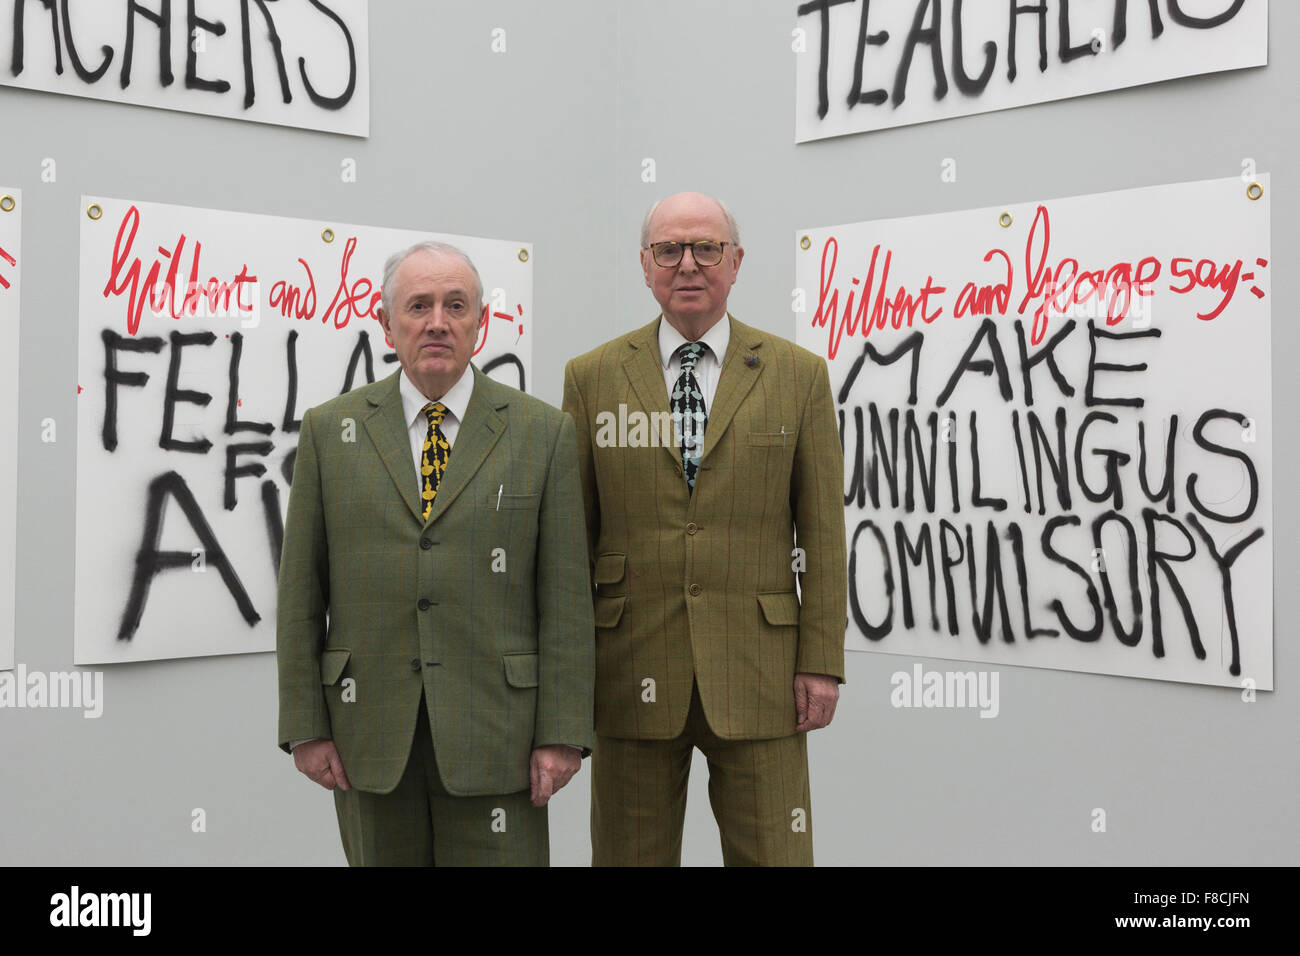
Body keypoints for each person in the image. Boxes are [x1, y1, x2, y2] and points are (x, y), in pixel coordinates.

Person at [277, 241, 593, 866]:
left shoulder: (543, 433)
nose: (437, 322)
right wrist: (305, 726)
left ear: (482, 321)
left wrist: (563, 736)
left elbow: (565, 600)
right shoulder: (329, 431)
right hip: (369, 733)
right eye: (418, 306)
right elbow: (300, 595)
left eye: (456, 305)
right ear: (386, 321)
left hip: (499, 737)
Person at [562, 192, 848, 866]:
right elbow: (571, 541)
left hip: (764, 674)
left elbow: (824, 532)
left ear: (736, 261)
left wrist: (821, 661)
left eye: (706, 248)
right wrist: (569, 679)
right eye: (669, 250)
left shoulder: (798, 376)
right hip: (628, 671)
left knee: (777, 856)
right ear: (645, 264)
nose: (687, 264)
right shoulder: (592, 377)